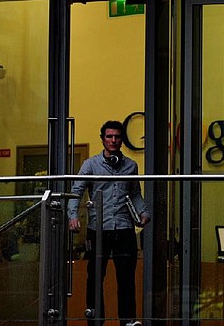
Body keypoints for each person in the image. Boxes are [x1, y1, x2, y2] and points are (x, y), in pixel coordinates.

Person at [67, 120, 151, 326]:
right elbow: (76, 192)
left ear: (122, 140)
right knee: (95, 277)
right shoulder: (90, 164)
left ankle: (128, 321)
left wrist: (144, 211)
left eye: (117, 137)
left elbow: (135, 193)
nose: (113, 140)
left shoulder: (131, 165)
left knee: (126, 279)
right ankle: (95, 321)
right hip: (98, 229)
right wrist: (72, 215)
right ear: (102, 139)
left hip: (124, 228)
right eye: (109, 136)